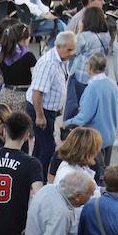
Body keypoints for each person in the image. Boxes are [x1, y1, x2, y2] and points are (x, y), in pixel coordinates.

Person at [28, 32, 76, 171]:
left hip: (48, 110)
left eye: (73, 49)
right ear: (59, 47)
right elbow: (37, 92)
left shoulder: (61, 60)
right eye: (69, 50)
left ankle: (33, 176)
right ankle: (39, 178)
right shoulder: (48, 63)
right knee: (48, 147)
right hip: (41, 110)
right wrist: (40, 115)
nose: (72, 53)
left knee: (40, 145)